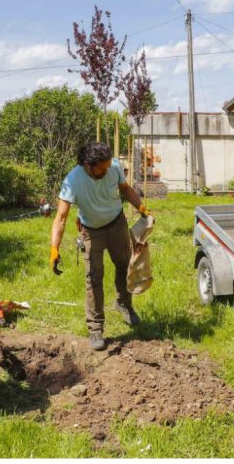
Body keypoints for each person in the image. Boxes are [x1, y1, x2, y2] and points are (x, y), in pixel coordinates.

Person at [50, 142, 150, 351]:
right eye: (101, 168)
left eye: (108, 166)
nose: (107, 171)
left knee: (124, 265)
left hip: (116, 223)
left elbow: (125, 189)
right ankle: (96, 328)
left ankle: (124, 304)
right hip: (91, 231)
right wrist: (54, 249)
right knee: (94, 277)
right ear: (88, 164)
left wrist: (140, 207)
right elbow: (61, 218)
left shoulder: (113, 167)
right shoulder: (73, 180)